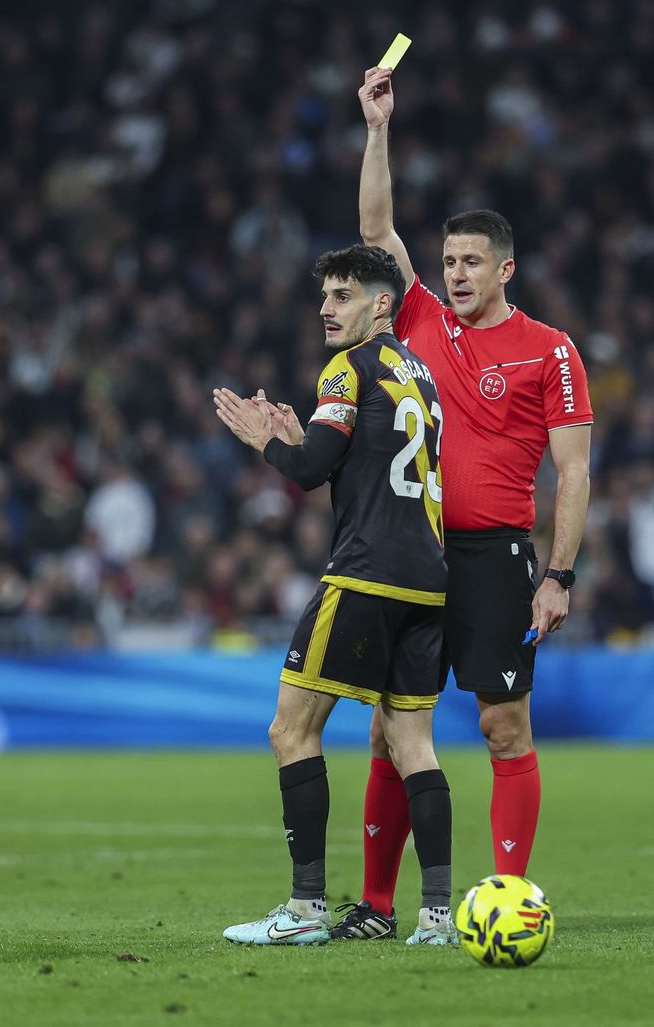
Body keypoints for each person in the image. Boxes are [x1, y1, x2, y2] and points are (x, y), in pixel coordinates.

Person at [330, 65, 594, 941]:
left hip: (495, 556)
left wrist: (559, 573)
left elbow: (574, 470)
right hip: (419, 553)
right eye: (447, 262)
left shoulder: (549, 351)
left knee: (502, 724)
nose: (455, 273)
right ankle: (375, 905)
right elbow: (374, 231)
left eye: (471, 261)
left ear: (506, 267)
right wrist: (377, 129)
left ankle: (508, 897)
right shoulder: (423, 323)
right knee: (388, 731)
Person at [213, 245, 458, 946]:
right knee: (413, 744)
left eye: (344, 294)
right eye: (325, 294)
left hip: (364, 576)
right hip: (427, 581)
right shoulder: (420, 375)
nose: (327, 307)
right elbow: (362, 471)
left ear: (384, 304)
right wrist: (303, 440)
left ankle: (305, 908)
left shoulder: (347, 368)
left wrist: (270, 443)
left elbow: (312, 466)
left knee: (291, 729)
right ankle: (436, 915)